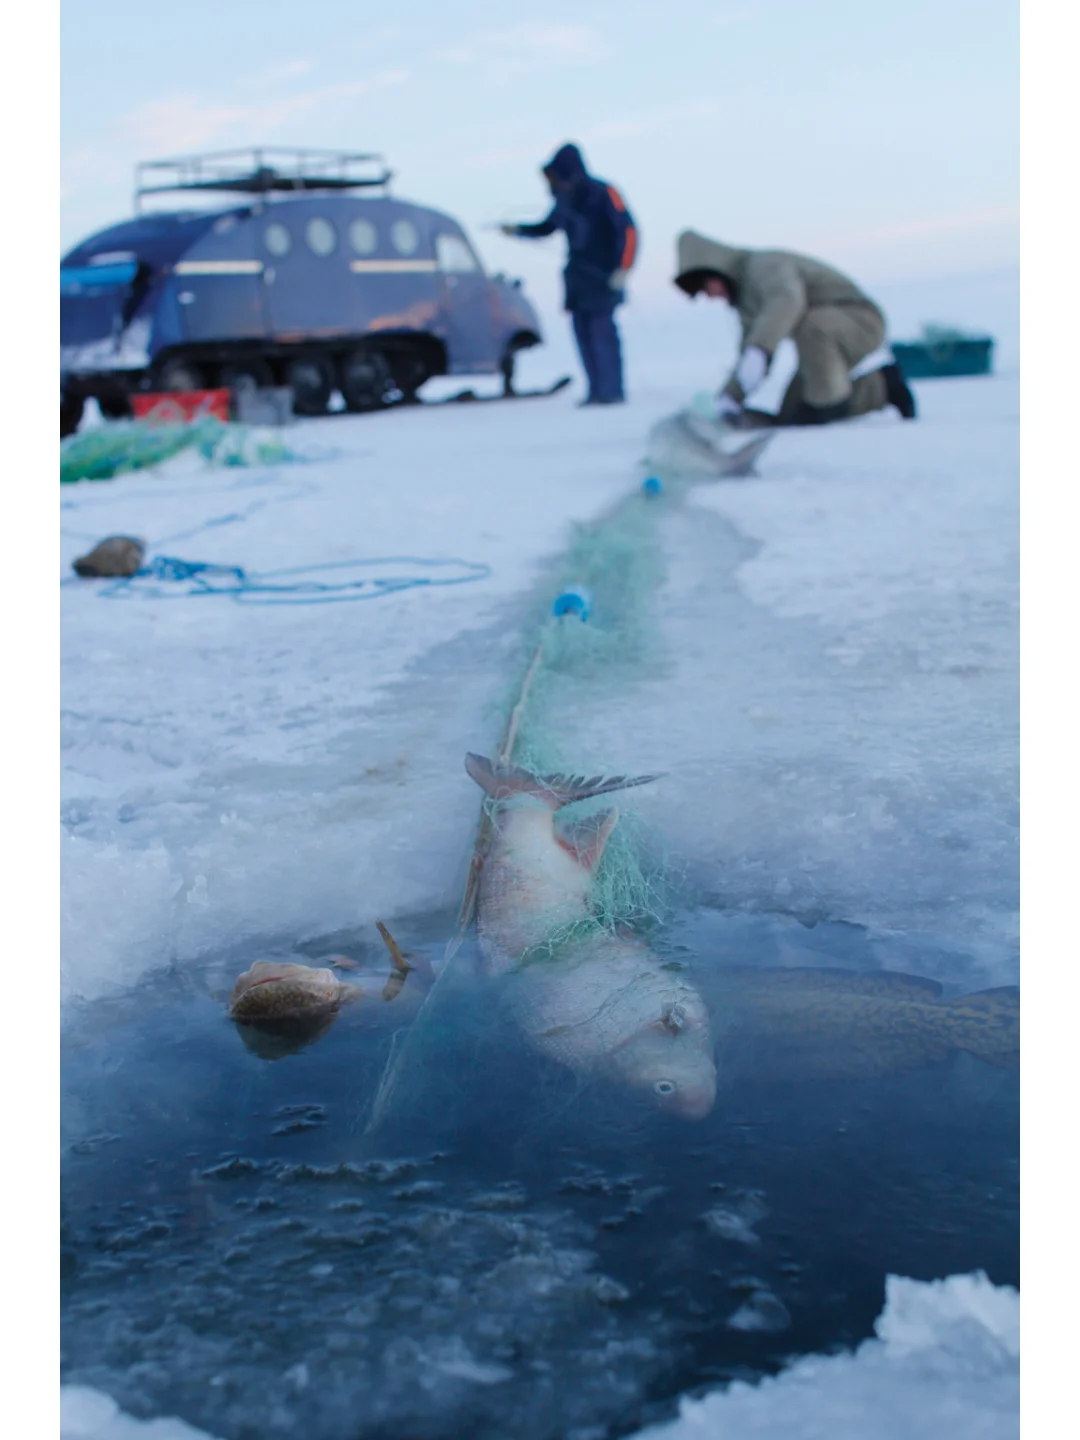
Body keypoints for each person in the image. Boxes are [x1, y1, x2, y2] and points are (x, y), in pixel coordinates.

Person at [673, 230, 917, 427]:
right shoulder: (746, 302)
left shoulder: (764, 266)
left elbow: (788, 301)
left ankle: (878, 387)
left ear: (715, 270)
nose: (709, 296)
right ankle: (876, 390)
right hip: (820, 338)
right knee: (794, 415)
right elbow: (751, 359)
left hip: (860, 322)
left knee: (823, 400)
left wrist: (761, 349)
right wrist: (729, 398)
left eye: (705, 288)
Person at [502, 143, 638, 406]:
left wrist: (623, 268)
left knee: (601, 334)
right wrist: (518, 230)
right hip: (577, 281)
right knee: (583, 335)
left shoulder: (604, 193)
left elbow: (629, 232)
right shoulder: (565, 201)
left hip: (603, 280)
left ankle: (611, 392)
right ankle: (596, 391)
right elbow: (547, 227)